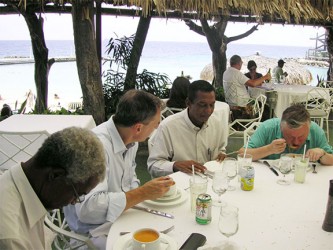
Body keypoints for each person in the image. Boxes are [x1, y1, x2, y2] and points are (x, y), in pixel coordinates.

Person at [63, 90, 174, 243]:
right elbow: (88, 210)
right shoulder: (95, 148)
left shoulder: (130, 139)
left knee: (167, 231)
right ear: (138, 128)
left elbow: (129, 179)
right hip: (93, 232)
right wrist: (142, 193)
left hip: (121, 216)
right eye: (155, 125)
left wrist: (139, 195)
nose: (156, 129)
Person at [0, 127, 106, 249]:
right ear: (56, 175)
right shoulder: (11, 238)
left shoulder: (25, 186)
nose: (73, 202)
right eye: (76, 195)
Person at [147, 80, 227, 177]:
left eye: (212, 105)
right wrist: (175, 165)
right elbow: (153, 166)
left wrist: (221, 154)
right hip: (179, 185)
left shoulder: (217, 124)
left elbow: (221, 149)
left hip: (208, 182)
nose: (208, 111)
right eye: (202, 105)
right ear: (188, 103)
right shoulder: (168, 127)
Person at [238, 104, 333, 164]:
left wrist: (322, 154)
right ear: (281, 127)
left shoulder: (316, 131)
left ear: (309, 128)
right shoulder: (268, 127)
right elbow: (242, 154)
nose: (296, 142)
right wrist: (268, 149)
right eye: (290, 137)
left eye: (301, 137)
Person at [223, 55, 271, 121]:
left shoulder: (226, 73)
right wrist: (265, 77)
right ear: (239, 63)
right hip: (242, 104)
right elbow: (253, 84)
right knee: (265, 106)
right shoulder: (237, 73)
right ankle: (259, 125)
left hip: (231, 102)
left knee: (260, 104)